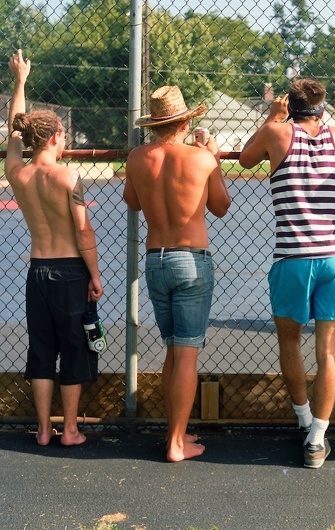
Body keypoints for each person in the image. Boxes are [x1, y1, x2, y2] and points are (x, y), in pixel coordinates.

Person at [239, 79, 335, 468]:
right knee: (328, 351)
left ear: (291, 104)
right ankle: (317, 438)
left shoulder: (276, 133)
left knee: (290, 345)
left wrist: (273, 117)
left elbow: (243, 159)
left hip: (291, 258)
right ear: (324, 106)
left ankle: (304, 420)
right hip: (333, 259)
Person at [123, 85, 231, 462]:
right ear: (185, 121)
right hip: (192, 259)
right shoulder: (202, 160)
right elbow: (221, 207)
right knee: (186, 355)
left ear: (154, 124)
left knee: (172, 351)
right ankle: (176, 443)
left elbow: (133, 201)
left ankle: (176, 432)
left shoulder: (137, 158)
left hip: (157, 259)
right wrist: (212, 158)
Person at [5, 49, 104, 447]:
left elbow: (14, 129)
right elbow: (84, 233)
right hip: (69, 272)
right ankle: (71, 430)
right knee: (75, 347)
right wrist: (94, 275)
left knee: (41, 349)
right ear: (56, 136)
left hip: (37, 273)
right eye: (62, 133)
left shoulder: (18, 173)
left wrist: (20, 82)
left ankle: (44, 429)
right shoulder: (70, 177)